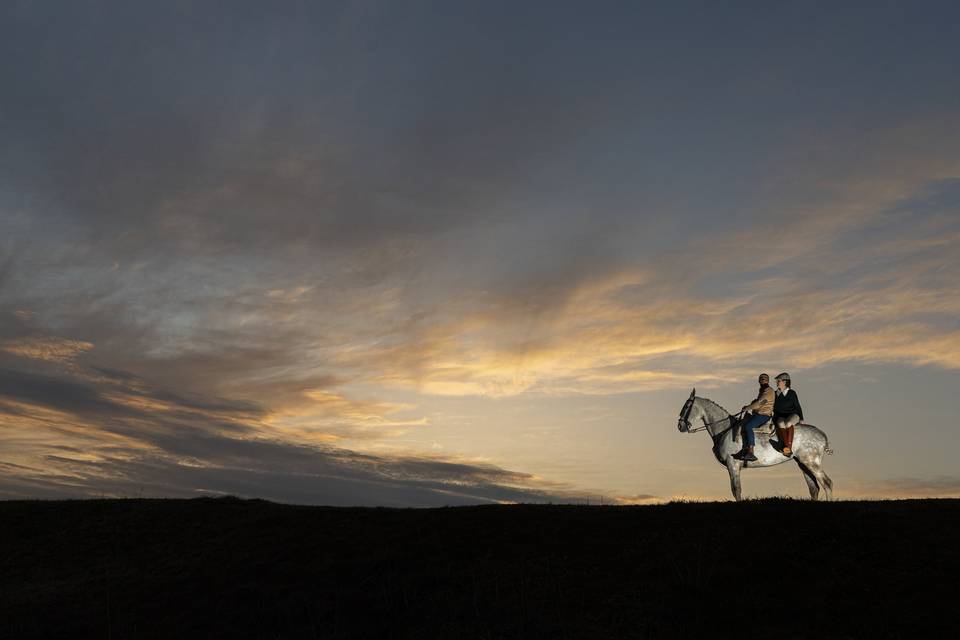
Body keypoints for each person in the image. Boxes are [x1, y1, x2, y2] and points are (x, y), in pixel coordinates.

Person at [732, 373, 774, 462]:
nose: (762, 381)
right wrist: (749, 406)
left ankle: (751, 451)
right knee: (742, 424)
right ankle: (744, 450)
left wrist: (747, 407)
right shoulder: (762, 390)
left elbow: (759, 403)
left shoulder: (768, 391)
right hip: (758, 414)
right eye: (761, 379)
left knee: (748, 426)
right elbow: (757, 402)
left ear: (767, 381)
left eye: (764, 379)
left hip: (764, 415)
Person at [773, 372, 803, 457]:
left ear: (785, 382)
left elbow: (797, 406)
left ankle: (787, 447)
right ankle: (786, 449)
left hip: (793, 414)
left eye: (779, 381)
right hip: (780, 416)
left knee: (788, 423)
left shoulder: (792, 393)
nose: (777, 382)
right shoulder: (775, 394)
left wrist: (801, 418)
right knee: (780, 423)